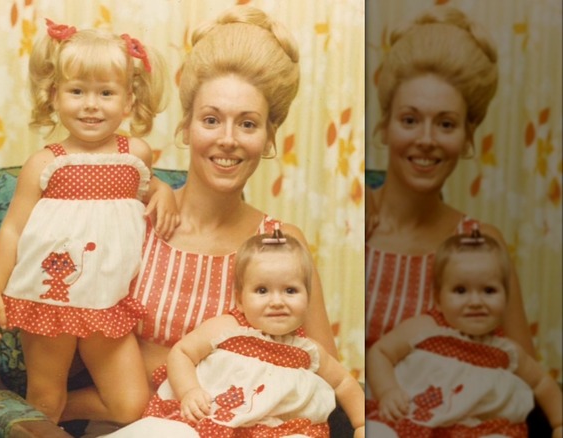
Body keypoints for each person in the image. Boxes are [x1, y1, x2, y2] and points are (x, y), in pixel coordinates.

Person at [48, 6, 346, 436]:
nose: (227, 139)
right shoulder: (131, 219)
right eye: (211, 119)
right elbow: (49, 319)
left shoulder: (280, 243)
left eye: (247, 124)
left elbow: (322, 373)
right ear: (186, 126)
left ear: (268, 138)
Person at [0, 18, 179, 426]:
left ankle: (25, 416)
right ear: (55, 96)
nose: (91, 104)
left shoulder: (136, 155)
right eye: (77, 91)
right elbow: (14, 229)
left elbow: (149, 186)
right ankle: (38, 415)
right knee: (47, 395)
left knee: (130, 405)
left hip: (107, 299)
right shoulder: (45, 163)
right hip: (49, 298)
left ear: (128, 101)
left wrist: (164, 191)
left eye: (106, 93)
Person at [365, 5, 536, 359]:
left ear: (467, 137)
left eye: (445, 124)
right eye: (410, 120)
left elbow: (525, 385)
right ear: (385, 125)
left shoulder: (481, 244)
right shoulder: (353, 221)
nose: (426, 139)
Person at [107, 230, 364, 437]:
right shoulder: (228, 328)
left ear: (307, 298)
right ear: (240, 299)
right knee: (167, 432)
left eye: (290, 291)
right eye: (262, 290)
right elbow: (183, 352)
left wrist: (362, 424)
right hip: (210, 422)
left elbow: (343, 382)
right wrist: (189, 391)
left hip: (276, 431)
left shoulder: (308, 350)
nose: (277, 301)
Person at [366, 229, 562, 437]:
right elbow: (380, 352)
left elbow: (542, 383)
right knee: (378, 431)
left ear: (506, 296)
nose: (475, 302)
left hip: (477, 431)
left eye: (489, 290)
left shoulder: (507, 350)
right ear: (438, 298)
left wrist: (559, 423)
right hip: (411, 421)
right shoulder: (425, 328)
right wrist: (387, 391)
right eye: (460, 291)